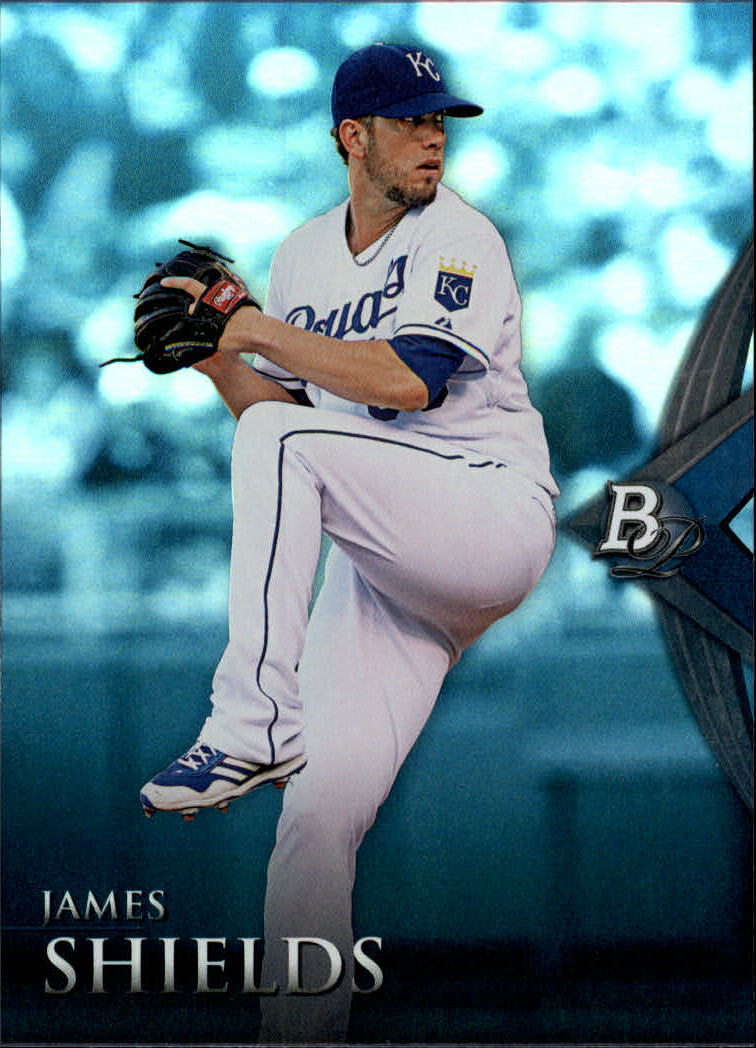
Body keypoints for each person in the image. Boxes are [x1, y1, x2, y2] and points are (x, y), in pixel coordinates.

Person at [139, 42, 559, 1043]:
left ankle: (247, 723)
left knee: (284, 445)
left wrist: (250, 328)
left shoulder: (461, 235)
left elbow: (409, 381)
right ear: (351, 136)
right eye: (411, 120)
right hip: (387, 558)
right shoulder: (301, 255)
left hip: (483, 513)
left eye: (440, 120)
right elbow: (283, 419)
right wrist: (214, 358)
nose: (433, 138)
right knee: (317, 817)